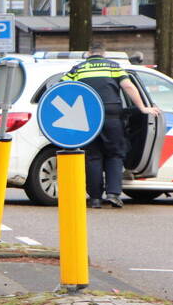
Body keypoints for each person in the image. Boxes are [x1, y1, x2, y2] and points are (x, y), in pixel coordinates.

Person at [62, 40, 159, 208]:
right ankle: (113, 194)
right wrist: (143, 108)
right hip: (112, 116)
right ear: (104, 53)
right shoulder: (113, 67)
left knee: (93, 157)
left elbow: (63, 88)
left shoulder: (79, 69)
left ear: (89, 53)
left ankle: (95, 199)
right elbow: (128, 86)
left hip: (89, 118)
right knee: (115, 155)